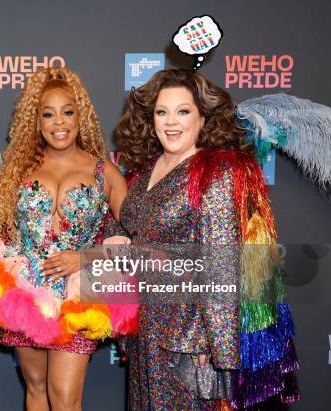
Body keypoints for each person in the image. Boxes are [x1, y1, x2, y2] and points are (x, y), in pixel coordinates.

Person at [114, 68, 299, 409]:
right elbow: (130, 228)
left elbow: (221, 267)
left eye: (183, 111)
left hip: (188, 344)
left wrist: (218, 352)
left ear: (202, 118)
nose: (172, 122)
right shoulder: (142, 174)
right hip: (144, 336)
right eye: (161, 111)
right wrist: (116, 241)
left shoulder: (214, 173)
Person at [0, 67, 133, 411]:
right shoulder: (18, 169)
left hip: (79, 295)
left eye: (67, 112)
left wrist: (85, 258)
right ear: (36, 121)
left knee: (64, 397)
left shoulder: (103, 171)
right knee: (35, 388)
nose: (59, 122)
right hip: (26, 291)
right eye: (48, 114)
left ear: (81, 116)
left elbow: (135, 237)